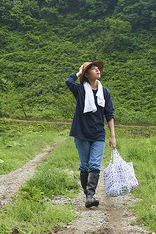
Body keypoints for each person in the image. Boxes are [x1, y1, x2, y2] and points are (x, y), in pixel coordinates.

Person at [65, 61, 116, 208]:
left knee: (95, 164)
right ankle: (87, 194)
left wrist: (112, 135)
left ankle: (90, 195)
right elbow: (68, 81)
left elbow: (109, 114)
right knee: (85, 165)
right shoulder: (80, 90)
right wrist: (79, 72)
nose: (98, 71)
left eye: (98, 69)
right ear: (87, 74)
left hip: (98, 134)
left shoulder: (104, 92)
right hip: (81, 133)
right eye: (94, 69)